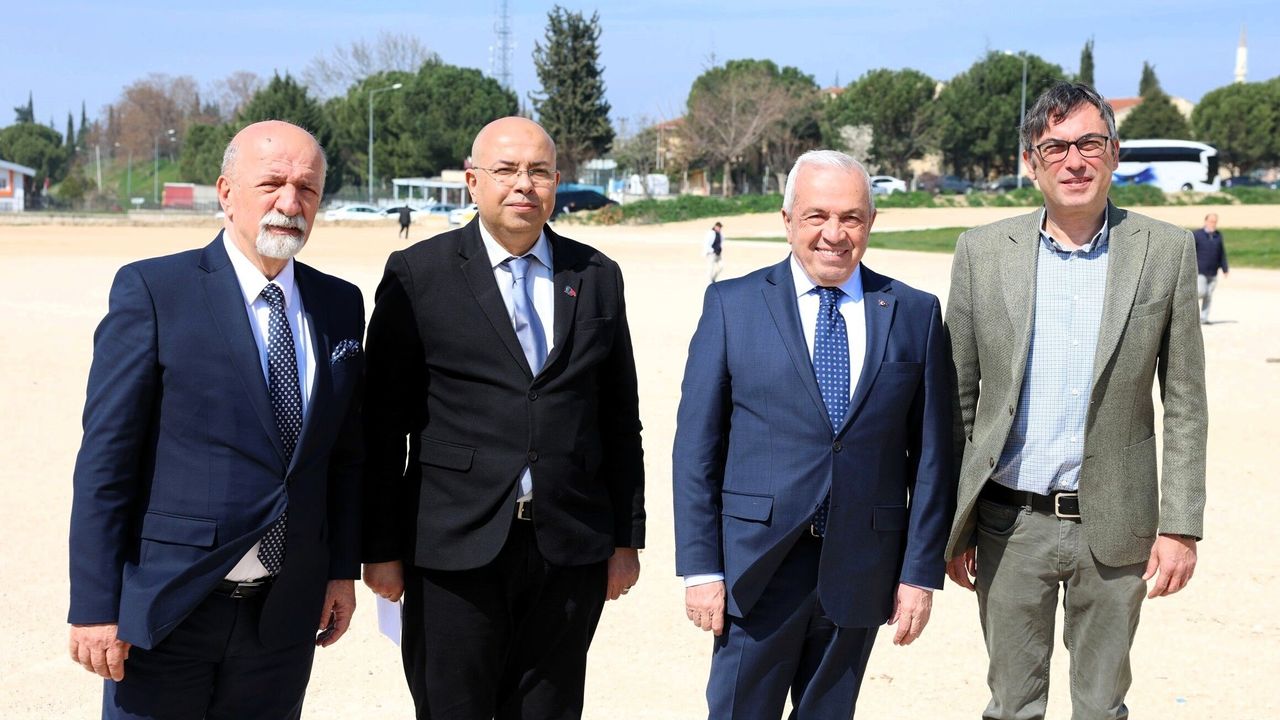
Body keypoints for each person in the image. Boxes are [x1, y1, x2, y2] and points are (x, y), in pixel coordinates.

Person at [67, 120, 366, 719]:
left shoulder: (340, 303)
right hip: (171, 606)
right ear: (226, 193)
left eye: (307, 189)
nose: (290, 203)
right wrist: (96, 606)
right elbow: (106, 460)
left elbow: (342, 456)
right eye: (272, 184)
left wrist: (339, 572)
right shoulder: (156, 291)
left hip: (283, 618)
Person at [362, 116, 645, 720]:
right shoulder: (418, 275)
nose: (524, 184)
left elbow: (620, 420)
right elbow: (382, 429)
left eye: (539, 171)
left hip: (569, 548)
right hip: (452, 549)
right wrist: (379, 548)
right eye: (507, 170)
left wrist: (625, 539)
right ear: (472, 181)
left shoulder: (596, 276)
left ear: (556, 183)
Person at [944, 82, 1206, 720]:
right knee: (1012, 706)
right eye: (1055, 147)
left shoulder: (1166, 250)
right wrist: (954, 522)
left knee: (1101, 707)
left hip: (1116, 524)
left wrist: (1180, 525)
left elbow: (1185, 402)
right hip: (1008, 525)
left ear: (1114, 152)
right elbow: (959, 400)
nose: (1074, 161)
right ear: (1030, 162)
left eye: (1089, 143)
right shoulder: (980, 252)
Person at [673, 149, 953, 718]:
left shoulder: (914, 312)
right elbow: (697, 450)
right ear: (787, 220)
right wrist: (702, 569)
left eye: (851, 217)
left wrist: (919, 574)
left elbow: (933, 458)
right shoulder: (731, 305)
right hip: (756, 568)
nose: (834, 233)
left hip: (861, 567)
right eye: (816, 216)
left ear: (871, 222)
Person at [1193, 212, 1229, 324]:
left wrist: (1225, 268)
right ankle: (1189, 310)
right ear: (1205, 221)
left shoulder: (1218, 235)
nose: (1213, 223)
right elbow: (1190, 252)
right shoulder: (1197, 235)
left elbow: (1222, 253)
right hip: (1200, 270)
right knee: (1201, 292)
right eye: (1211, 221)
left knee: (1208, 295)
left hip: (1213, 271)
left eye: (1215, 222)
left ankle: (1203, 318)